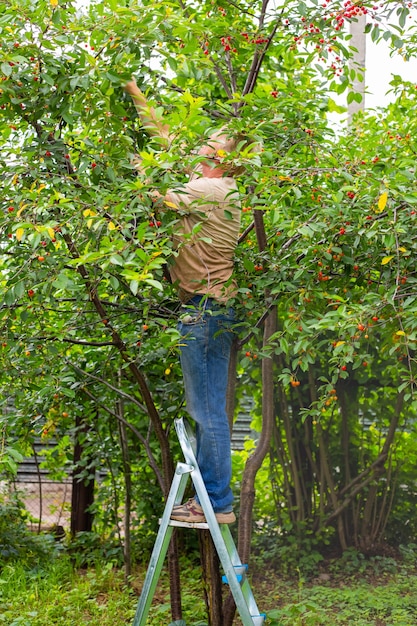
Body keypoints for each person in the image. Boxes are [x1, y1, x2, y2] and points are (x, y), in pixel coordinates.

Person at [124, 79, 252, 524]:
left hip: (202, 309)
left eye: (207, 146)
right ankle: (212, 500)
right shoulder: (221, 189)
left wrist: (141, 169)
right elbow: (168, 139)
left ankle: (216, 503)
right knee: (211, 406)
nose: (198, 147)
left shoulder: (209, 191)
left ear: (219, 159)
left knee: (206, 409)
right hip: (217, 308)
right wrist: (135, 92)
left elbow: (153, 197)